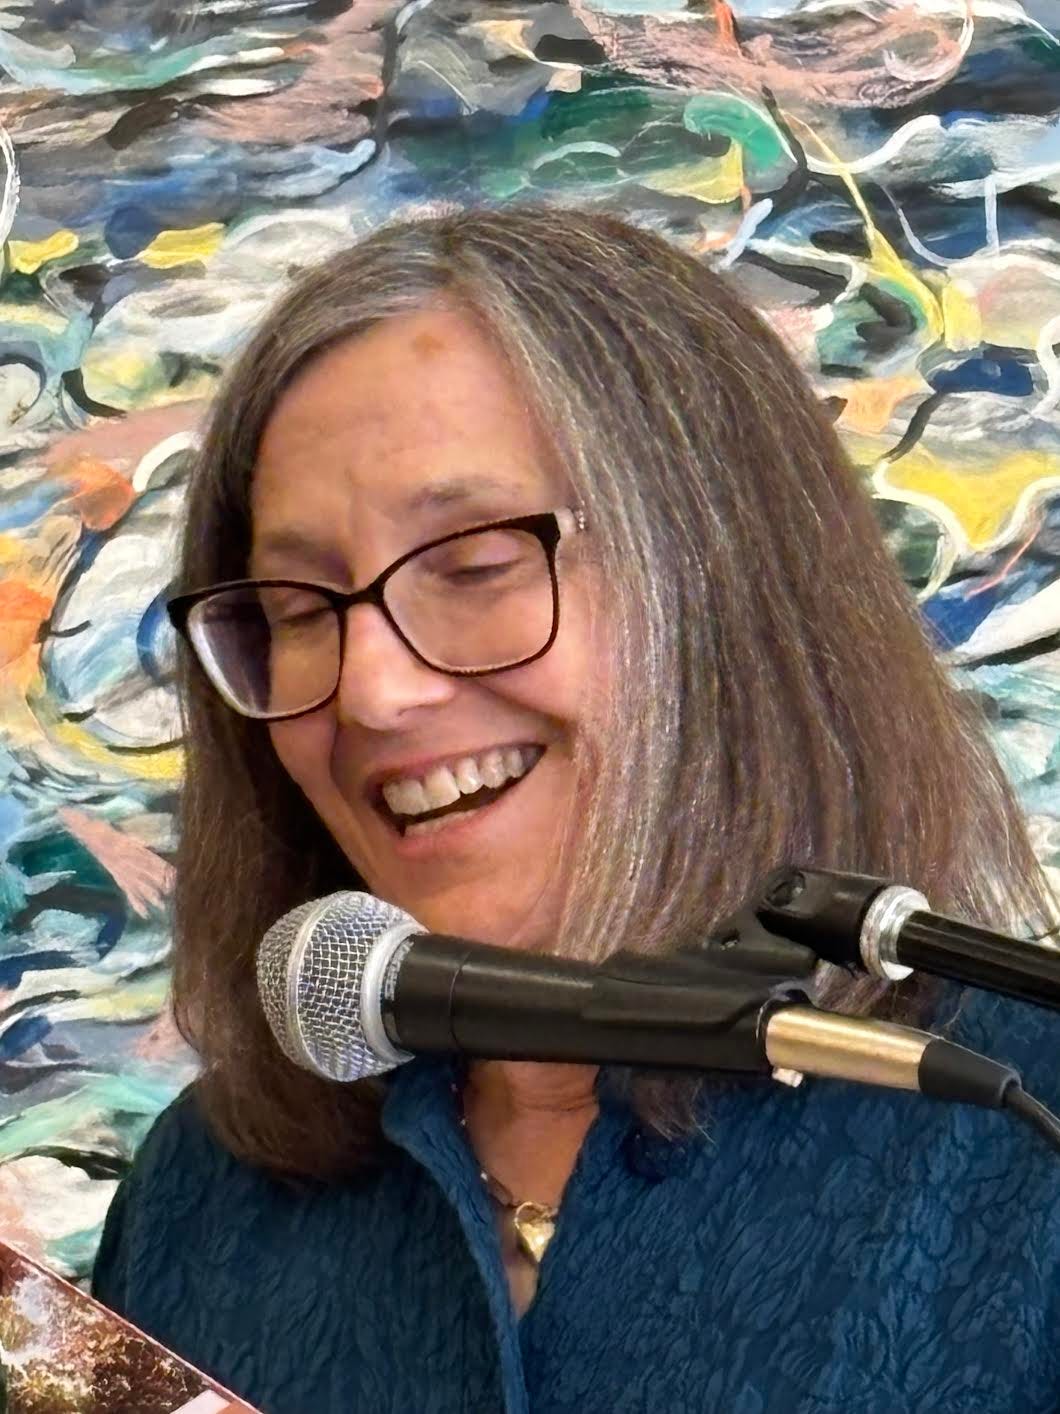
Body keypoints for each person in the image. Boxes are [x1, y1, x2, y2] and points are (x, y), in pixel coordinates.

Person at [92, 205, 1060, 1413]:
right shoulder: (200, 1197)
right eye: (295, 610)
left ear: (722, 578)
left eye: (475, 565)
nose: (374, 692)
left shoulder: (1022, 1125)